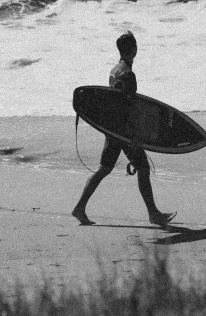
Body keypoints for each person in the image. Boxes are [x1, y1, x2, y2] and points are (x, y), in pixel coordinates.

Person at [72, 31, 176, 227]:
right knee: (143, 168)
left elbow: (114, 104)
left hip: (113, 129)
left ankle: (79, 207)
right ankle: (153, 214)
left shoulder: (114, 70)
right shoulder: (128, 75)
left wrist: (112, 131)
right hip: (124, 132)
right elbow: (129, 108)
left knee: (104, 169)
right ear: (134, 50)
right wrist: (135, 136)